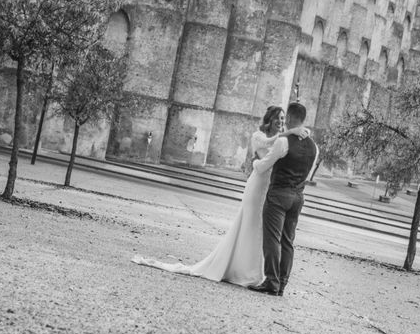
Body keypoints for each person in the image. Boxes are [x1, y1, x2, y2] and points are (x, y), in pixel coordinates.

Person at [131, 106, 309, 287]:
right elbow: (267, 145)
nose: (281, 122)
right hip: (257, 185)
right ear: (269, 120)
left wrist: (292, 135)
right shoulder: (260, 136)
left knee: (261, 230)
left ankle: (255, 270)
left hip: (270, 187)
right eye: (278, 118)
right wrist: (292, 132)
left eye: (283, 118)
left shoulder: (283, 141)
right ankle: (245, 271)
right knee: (250, 225)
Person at [249, 102, 317, 296]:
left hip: (279, 195)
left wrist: (254, 162)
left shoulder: (283, 142)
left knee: (272, 239)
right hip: (298, 196)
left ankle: (272, 281)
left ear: (288, 119)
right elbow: (307, 174)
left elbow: (263, 167)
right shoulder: (314, 146)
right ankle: (283, 283)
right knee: (288, 241)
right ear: (303, 119)